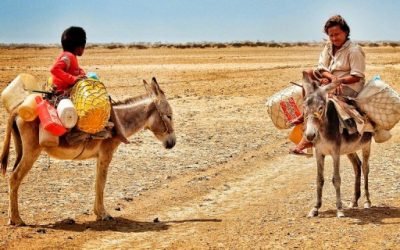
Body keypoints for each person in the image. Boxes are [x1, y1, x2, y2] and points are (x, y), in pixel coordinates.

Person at [290, 15, 366, 155]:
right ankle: (304, 114)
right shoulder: (328, 46)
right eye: (331, 35)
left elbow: (357, 76)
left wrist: (337, 81)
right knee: (307, 73)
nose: (334, 38)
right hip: (332, 82)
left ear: (346, 32)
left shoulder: (354, 50)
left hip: (349, 86)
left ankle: (308, 140)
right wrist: (330, 78)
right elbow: (321, 68)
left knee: (324, 101)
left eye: (337, 34)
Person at [50, 26, 87, 94]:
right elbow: (55, 69)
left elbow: (74, 69)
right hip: (62, 92)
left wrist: (81, 72)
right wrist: (72, 79)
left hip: (67, 90)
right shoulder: (68, 56)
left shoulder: (71, 56)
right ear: (79, 46)